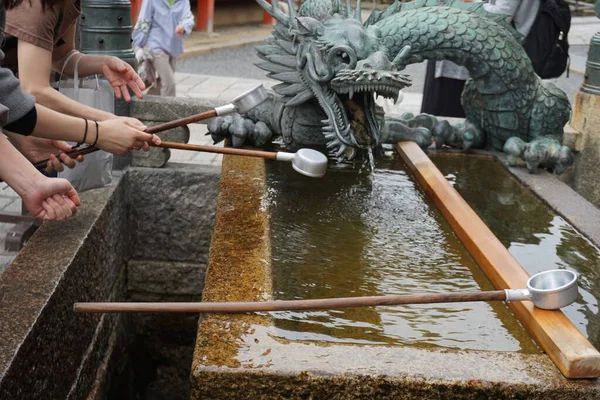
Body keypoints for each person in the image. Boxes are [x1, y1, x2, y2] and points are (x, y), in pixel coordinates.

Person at [2, 0, 155, 172]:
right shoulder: (39, 5)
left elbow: (62, 57)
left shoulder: (69, 3)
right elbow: (35, 89)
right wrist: (106, 124)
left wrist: (103, 63)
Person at [420, 0, 541, 118]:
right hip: (456, 53)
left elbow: (500, 14)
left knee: (448, 120)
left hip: (470, 60)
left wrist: (468, 2)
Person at [132, 0, 195, 97]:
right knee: (169, 83)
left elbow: (187, 16)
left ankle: (150, 103)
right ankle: (169, 110)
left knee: (163, 81)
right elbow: (144, 19)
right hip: (154, 44)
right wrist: (139, 44)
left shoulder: (183, 1)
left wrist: (183, 26)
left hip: (173, 44)